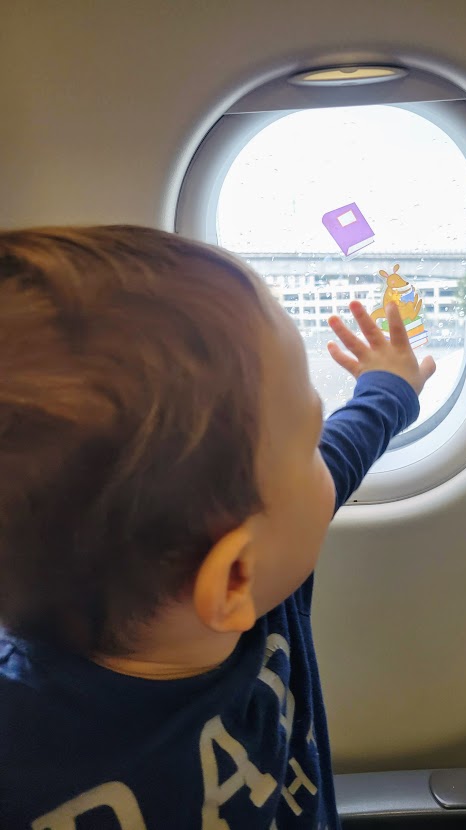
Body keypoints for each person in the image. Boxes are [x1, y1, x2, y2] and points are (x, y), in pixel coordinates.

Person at [0, 226, 435, 829]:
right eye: (309, 439)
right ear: (234, 577)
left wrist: (386, 389)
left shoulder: (245, 567)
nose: (324, 455)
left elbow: (344, 451)